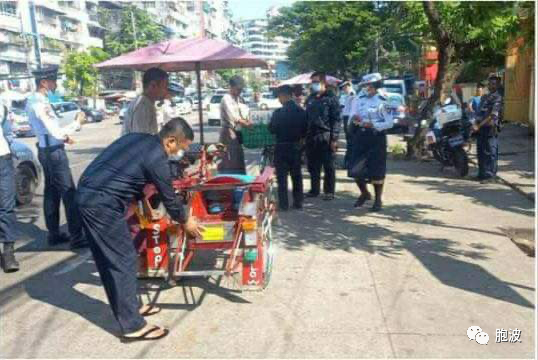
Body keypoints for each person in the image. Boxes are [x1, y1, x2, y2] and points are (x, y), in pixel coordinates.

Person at [76, 118, 203, 342]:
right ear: (171, 140)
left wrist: (140, 203)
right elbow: (169, 198)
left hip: (89, 194)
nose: (181, 153)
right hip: (101, 203)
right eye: (181, 148)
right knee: (123, 259)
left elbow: (127, 172)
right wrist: (186, 221)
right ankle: (132, 325)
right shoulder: (158, 157)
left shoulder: (138, 140)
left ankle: (131, 308)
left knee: (112, 259)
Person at [26, 65, 86, 248]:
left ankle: (54, 234)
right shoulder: (40, 103)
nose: (55, 83)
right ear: (44, 82)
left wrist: (64, 136)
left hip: (47, 150)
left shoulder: (34, 100)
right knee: (69, 193)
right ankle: (77, 236)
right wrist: (76, 123)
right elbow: (55, 131)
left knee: (51, 193)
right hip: (53, 154)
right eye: (53, 80)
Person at [348, 73, 393, 212]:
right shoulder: (358, 99)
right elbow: (352, 115)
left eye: (367, 86)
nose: (365, 88)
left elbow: (389, 123)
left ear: (374, 86)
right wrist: (354, 120)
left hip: (376, 137)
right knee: (355, 169)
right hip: (360, 136)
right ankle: (364, 193)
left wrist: (373, 124)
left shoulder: (384, 100)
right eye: (364, 86)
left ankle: (378, 199)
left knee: (377, 170)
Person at [268, 85, 308, 210]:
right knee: (296, 176)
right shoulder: (301, 111)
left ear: (284, 96)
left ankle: (284, 204)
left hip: (281, 147)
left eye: (279, 97)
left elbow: (272, 129)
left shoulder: (278, 113)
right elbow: (306, 130)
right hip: (296, 147)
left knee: (282, 177)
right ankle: (298, 202)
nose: (279, 100)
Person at [304, 72, 341, 200]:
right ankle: (314, 190)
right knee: (313, 165)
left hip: (326, 136)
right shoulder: (310, 98)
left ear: (323, 83)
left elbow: (336, 119)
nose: (313, 85)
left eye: (315, 82)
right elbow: (306, 118)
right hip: (311, 136)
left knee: (329, 166)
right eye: (312, 82)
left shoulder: (331, 98)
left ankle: (329, 192)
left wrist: (334, 139)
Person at [218, 75, 252, 174]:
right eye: (238, 89)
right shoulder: (226, 99)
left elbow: (243, 113)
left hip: (236, 131)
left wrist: (248, 120)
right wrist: (246, 124)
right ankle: (231, 184)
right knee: (231, 160)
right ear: (231, 87)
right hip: (228, 132)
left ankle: (239, 183)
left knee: (238, 158)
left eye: (241, 90)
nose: (240, 92)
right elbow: (234, 117)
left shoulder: (237, 98)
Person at [121, 67, 169, 135]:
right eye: (165, 86)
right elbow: (141, 140)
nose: (166, 91)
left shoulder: (146, 103)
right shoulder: (143, 106)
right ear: (153, 85)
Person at [0, 104, 19, 272]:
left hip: (2, 159)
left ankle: (8, 253)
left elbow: (7, 132)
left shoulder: (2, 105)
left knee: (7, 207)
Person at [473, 76, 503, 183]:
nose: (491, 85)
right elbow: (478, 112)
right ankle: (482, 174)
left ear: (498, 85)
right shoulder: (484, 97)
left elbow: (492, 115)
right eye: (490, 83)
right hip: (480, 129)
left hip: (490, 128)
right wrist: (474, 123)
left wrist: (479, 125)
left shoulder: (498, 98)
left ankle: (491, 176)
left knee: (491, 152)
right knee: (481, 151)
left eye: (494, 84)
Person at [339, 81, 355, 169]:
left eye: (344, 87)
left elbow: (352, 110)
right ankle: (348, 162)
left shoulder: (353, 95)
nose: (343, 89)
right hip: (346, 118)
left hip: (350, 119)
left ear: (348, 86)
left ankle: (349, 162)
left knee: (351, 142)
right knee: (349, 142)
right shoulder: (346, 95)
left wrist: (349, 122)